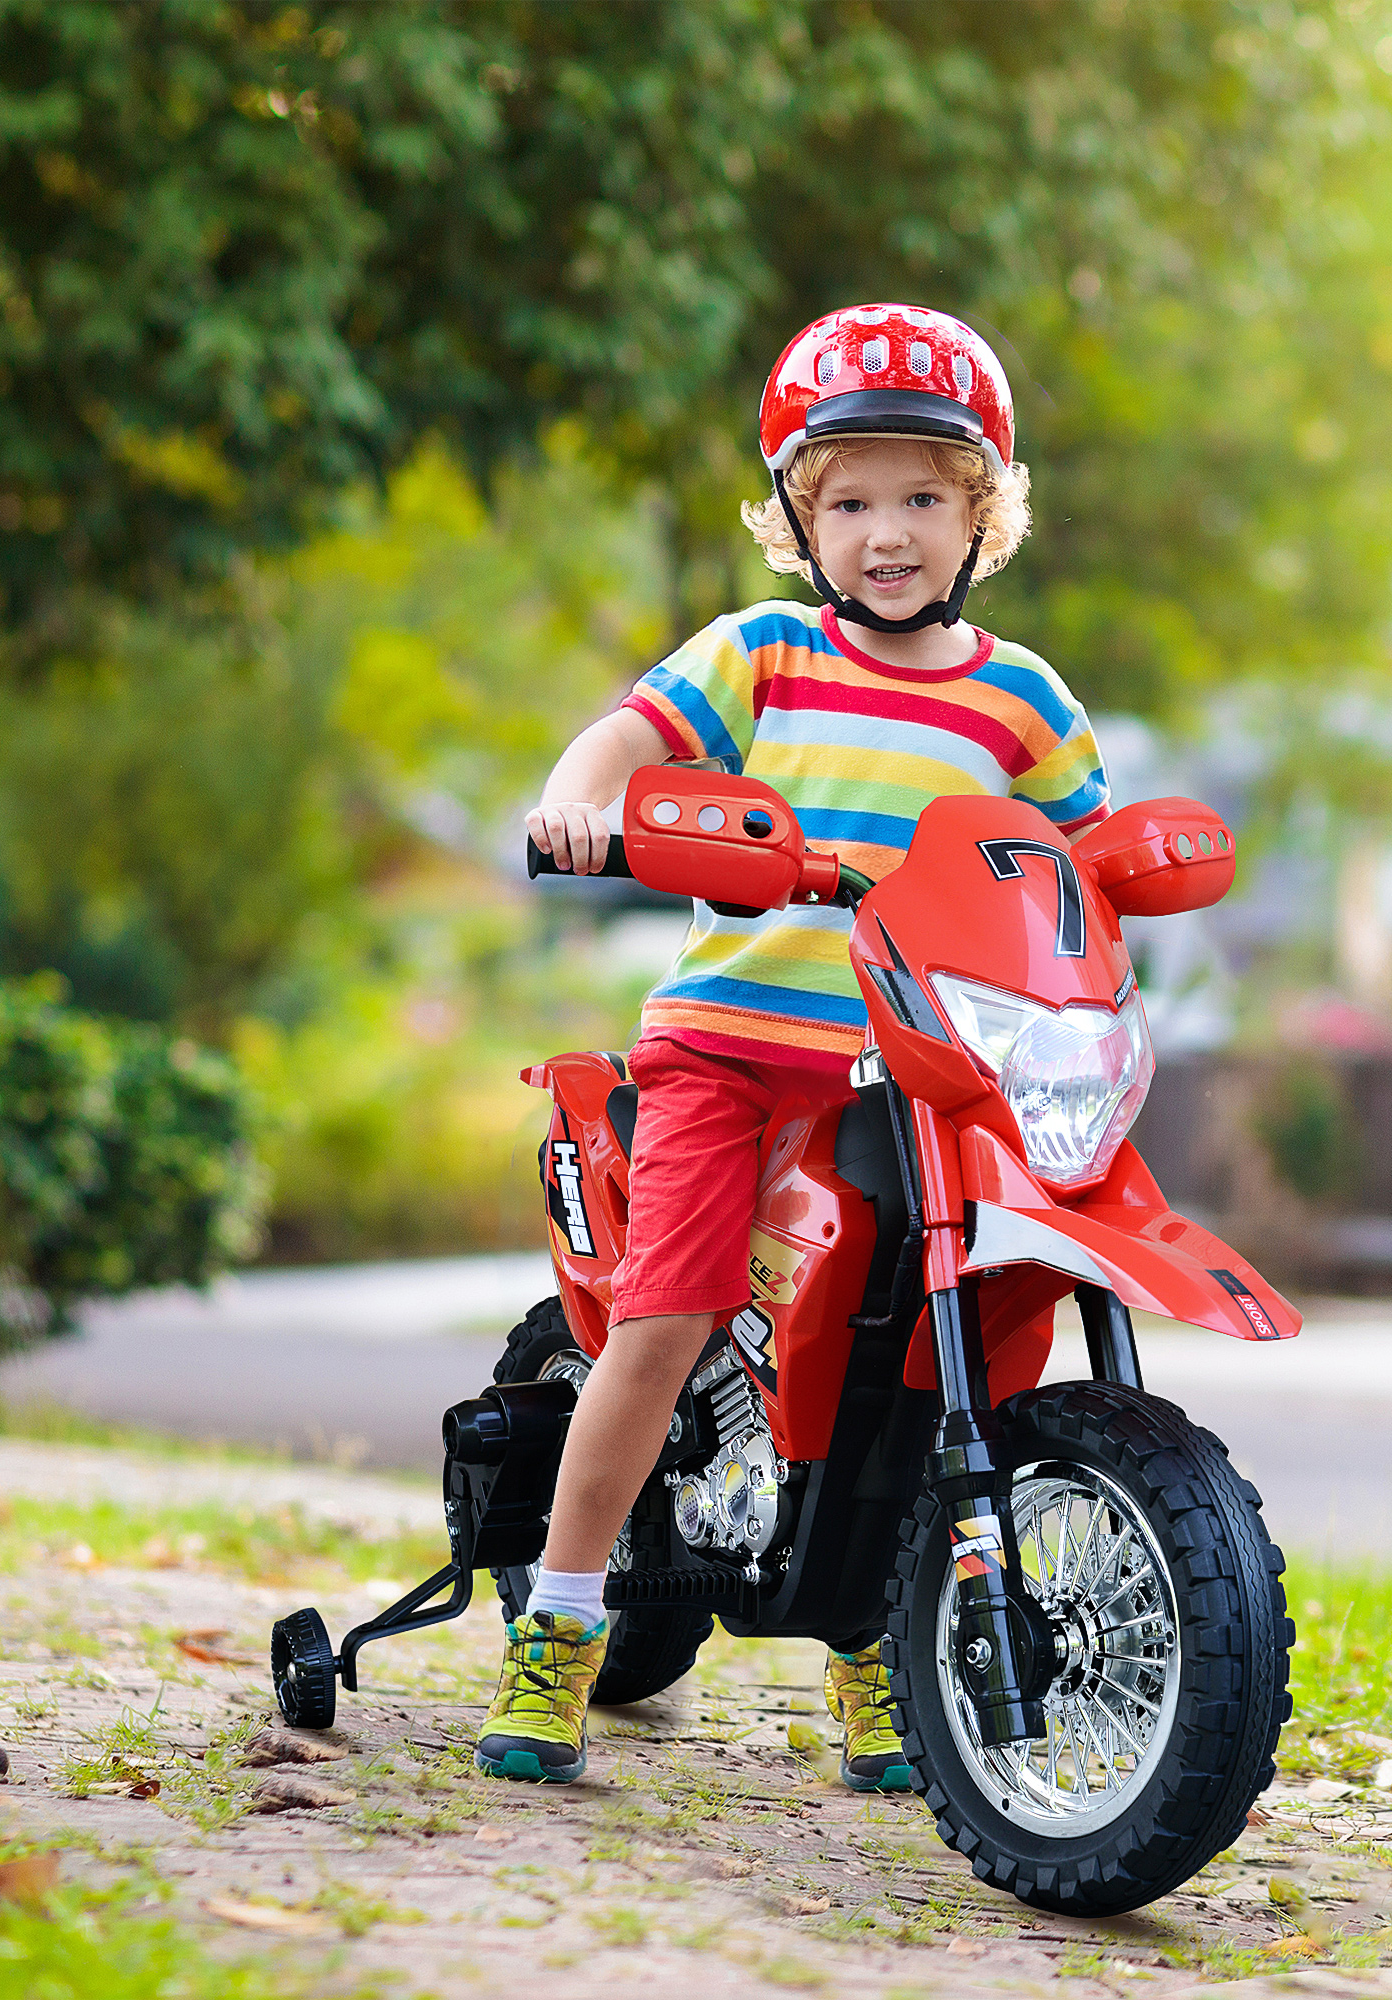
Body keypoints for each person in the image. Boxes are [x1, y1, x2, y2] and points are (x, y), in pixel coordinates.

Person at [476, 304, 1109, 1789]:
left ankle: (879, 1642)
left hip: (927, 1065)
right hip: (735, 1052)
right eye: (850, 501)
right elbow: (628, 735)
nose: (887, 533)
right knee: (669, 1315)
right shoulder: (763, 652)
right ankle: (561, 1628)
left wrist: (1133, 883)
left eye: (923, 497)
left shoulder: (1024, 698)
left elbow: (1081, 864)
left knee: (931, 1347)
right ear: (799, 518)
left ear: (983, 512)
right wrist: (582, 798)